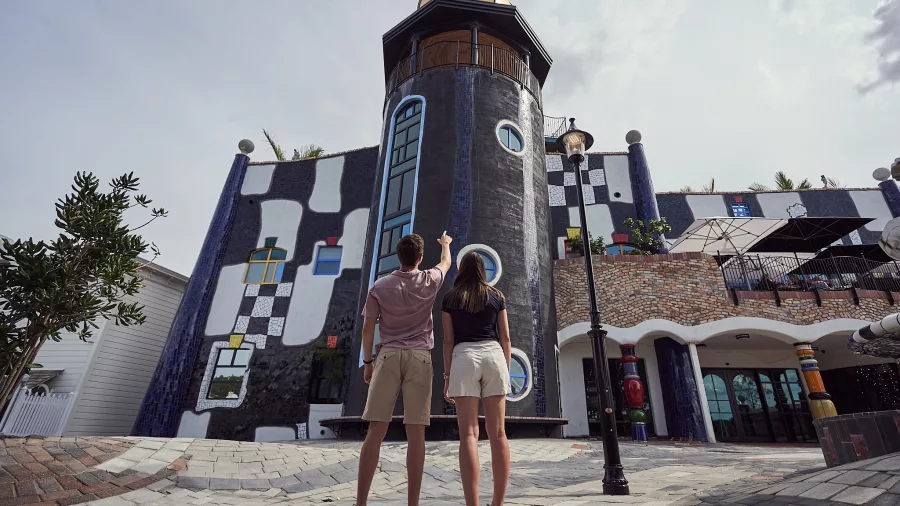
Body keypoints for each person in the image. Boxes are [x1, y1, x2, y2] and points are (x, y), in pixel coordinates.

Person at [356, 232, 452, 506]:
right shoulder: (430, 280)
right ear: (420, 258)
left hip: (387, 356)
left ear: (398, 256)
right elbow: (446, 263)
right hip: (420, 357)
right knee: (416, 432)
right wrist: (445, 244)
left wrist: (368, 363)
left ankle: (361, 502)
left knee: (376, 429)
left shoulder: (379, 286)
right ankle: (413, 503)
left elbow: (367, 328)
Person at [441, 251, 511, 506]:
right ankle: (498, 503)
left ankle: (473, 503)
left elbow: (448, 341)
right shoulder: (497, 296)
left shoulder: (450, 298)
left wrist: (447, 377)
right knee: (498, 433)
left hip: (464, 357)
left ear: (461, 269)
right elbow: (506, 338)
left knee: (469, 434)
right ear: (483, 270)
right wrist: (505, 369)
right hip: (494, 355)